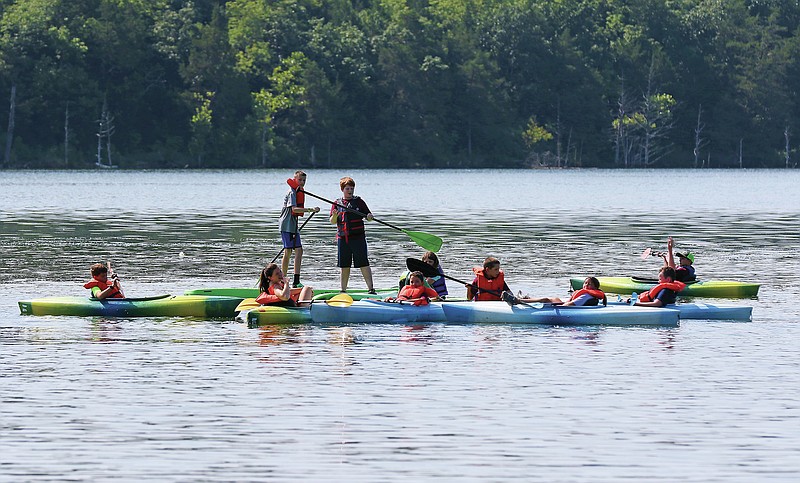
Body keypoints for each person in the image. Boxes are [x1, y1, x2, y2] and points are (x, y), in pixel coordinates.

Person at [330, 176, 376, 294]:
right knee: (344, 266)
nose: (350, 191)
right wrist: (335, 215)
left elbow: (368, 215)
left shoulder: (359, 202)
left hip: (358, 238)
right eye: (347, 189)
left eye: (351, 188)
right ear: (342, 189)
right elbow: (332, 221)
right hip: (343, 239)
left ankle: (371, 289)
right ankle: (343, 290)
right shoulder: (337, 203)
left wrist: (369, 217)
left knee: (363, 263)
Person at [279, 170, 320, 288]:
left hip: (294, 225)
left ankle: (296, 280)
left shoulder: (299, 191)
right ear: (295, 179)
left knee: (299, 251)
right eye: (300, 180)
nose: (302, 182)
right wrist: (311, 210)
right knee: (288, 252)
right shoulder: (292, 192)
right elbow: (294, 209)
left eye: (304, 181)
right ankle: (283, 279)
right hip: (286, 225)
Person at [524, 277, 606, 306]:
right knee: (553, 298)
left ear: (595, 287)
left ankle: (519, 301)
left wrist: (557, 307)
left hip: (569, 308)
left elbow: (570, 304)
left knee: (545, 299)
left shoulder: (586, 295)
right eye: (585, 283)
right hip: (568, 305)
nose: (586, 285)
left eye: (589, 284)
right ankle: (527, 299)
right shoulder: (590, 294)